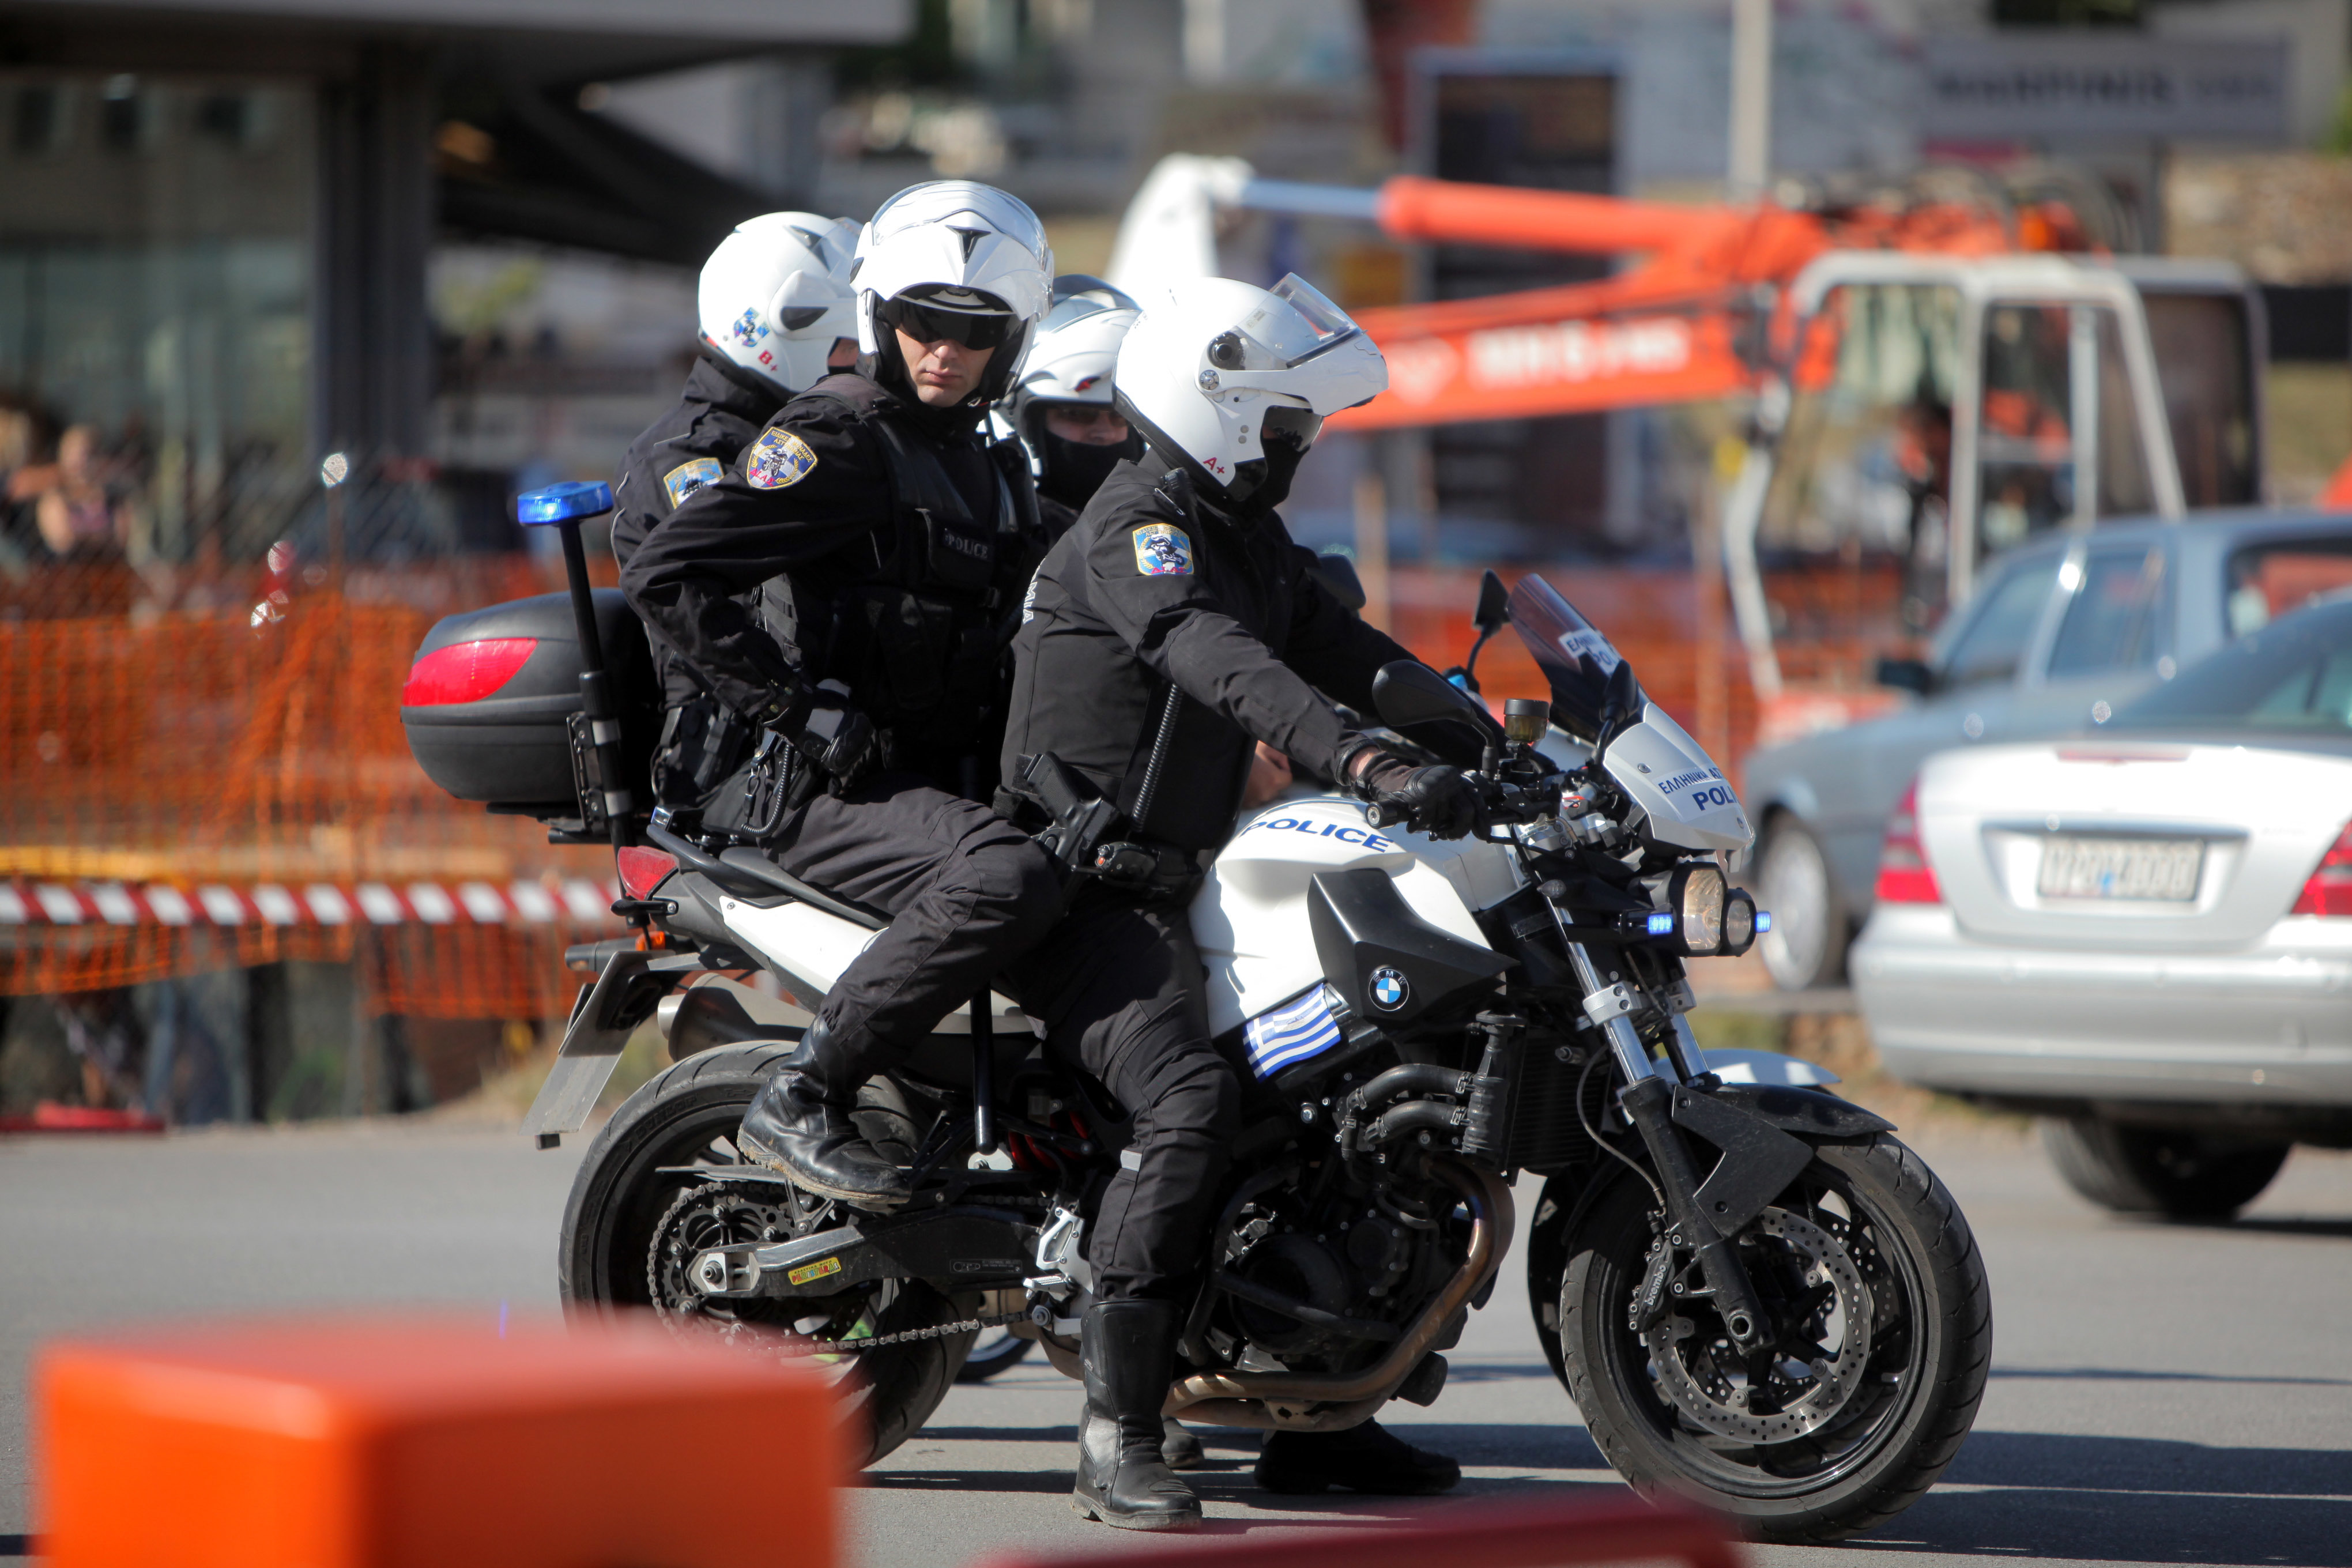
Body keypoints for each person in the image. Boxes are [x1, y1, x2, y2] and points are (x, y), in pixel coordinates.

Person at [997, 273, 1478, 1529]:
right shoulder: (1140, 527)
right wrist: (1358, 755)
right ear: (1221, 412)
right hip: (1089, 888)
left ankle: (1322, 1417)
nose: (1299, 446)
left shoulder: (1240, 531)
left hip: (1184, 870)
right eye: (1285, 424)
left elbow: (1353, 652)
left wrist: (1488, 744)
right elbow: (1219, 659)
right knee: (1191, 1101)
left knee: (1365, 1085)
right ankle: (1121, 1430)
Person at [620, 180, 1062, 1212]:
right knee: (1002, 875)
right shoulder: (835, 437)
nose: (942, 350)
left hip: (910, 772)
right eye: (920, 324)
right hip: (791, 785)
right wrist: (798, 710)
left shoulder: (987, 462)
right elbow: (679, 579)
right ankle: (808, 1089)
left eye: (973, 331)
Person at [610, 212, 860, 786]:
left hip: (822, 751)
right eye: (846, 344)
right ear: (783, 332)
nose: (860, 362)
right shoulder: (686, 459)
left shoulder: (813, 438)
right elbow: (738, 611)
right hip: (743, 771)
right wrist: (801, 712)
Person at [1000, 274, 1143, 543]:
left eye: (1120, 417)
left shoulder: (1162, 524)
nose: (1104, 433)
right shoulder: (998, 522)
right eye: (1078, 415)